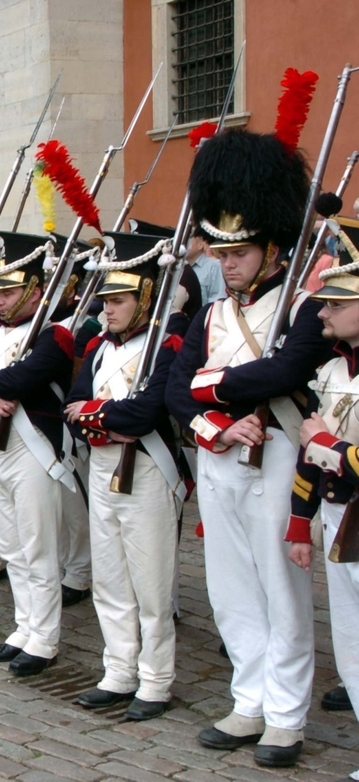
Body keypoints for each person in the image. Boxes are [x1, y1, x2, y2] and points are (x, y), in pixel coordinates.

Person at [165, 128, 329, 767]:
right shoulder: (210, 316)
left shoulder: (304, 308)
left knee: (281, 588)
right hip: (222, 459)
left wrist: (213, 387)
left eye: (240, 252)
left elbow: (281, 374)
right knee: (230, 587)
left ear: (271, 249)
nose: (227, 263)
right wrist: (220, 426)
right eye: (223, 253)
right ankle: (248, 698)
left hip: (280, 459)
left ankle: (286, 714)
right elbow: (180, 394)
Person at [63, 232, 188, 721]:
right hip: (102, 466)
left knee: (151, 583)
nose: (108, 310)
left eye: (118, 301)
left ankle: (156, 679)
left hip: (149, 470)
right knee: (111, 578)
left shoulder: (165, 345)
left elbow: (145, 414)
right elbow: (71, 405)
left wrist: (98, 413)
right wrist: (106, 415)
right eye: (106, 300)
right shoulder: (97, 347)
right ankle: (118, 669)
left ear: (145, 300)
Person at [0, 231, 77, 676]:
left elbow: (22, 379)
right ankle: (24, 627)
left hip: (35, 451)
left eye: (8, 291)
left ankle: (44, 637)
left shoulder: (55, 335)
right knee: (10, 546)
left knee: (37, 546)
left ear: (33, 290)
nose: (0, 300)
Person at [286, 224, 359, 782]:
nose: (321, 314)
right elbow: (307, 460)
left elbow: (319, 445)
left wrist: (326, 445)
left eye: (335, 303)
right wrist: (299, 523)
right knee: (351, 647)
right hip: (338, 518)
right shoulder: (331, 369)